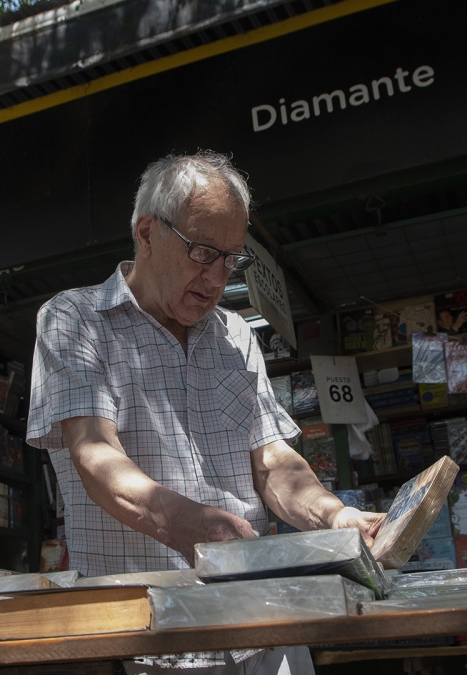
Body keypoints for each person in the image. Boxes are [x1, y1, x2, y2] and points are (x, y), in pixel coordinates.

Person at [26, 151, 386, 674]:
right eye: (202, 252)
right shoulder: (75, 320)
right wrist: (196, 526)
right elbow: (95, 454)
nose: (217, 277)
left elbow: (271, 461)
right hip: (155, 636)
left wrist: (337, 517)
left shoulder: (235, 333)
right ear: (146, 233)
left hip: (266, 624)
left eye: (232, 259)